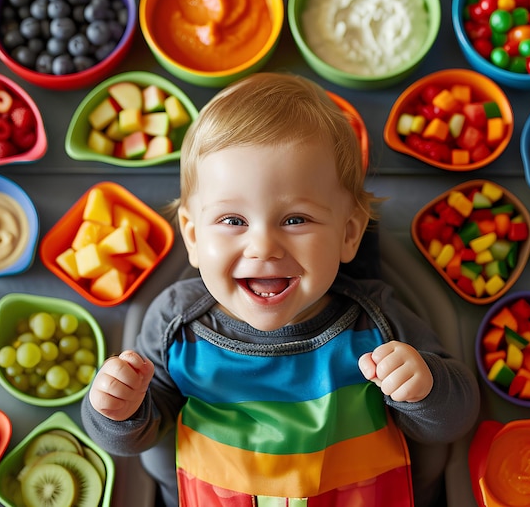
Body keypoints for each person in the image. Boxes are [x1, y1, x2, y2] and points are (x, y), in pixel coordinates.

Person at [82, 72, 480, 507]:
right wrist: (117, 410)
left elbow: (455, 419)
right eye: (233, 221)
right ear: (193, 238)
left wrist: (423, 387)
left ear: (349, 235)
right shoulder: (177, 324)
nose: (264, 248)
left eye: (296, 220)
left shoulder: (376, 319)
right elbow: (141, 435)